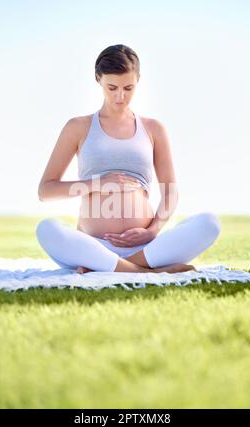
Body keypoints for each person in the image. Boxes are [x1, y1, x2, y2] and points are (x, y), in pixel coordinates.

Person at [36, 44, 221, 274]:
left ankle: (112, 268)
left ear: (138, 80)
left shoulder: (154, 129)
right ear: (98, 79)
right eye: (112, 87)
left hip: (146, 246)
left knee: (209, 223)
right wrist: (97, 184)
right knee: (47, 228)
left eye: (128, 87)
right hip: (93, 246)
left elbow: (170, 191)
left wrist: (154, 230)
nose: (120, 96)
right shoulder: (78, 127)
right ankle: (146, 272)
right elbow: (46, 191)